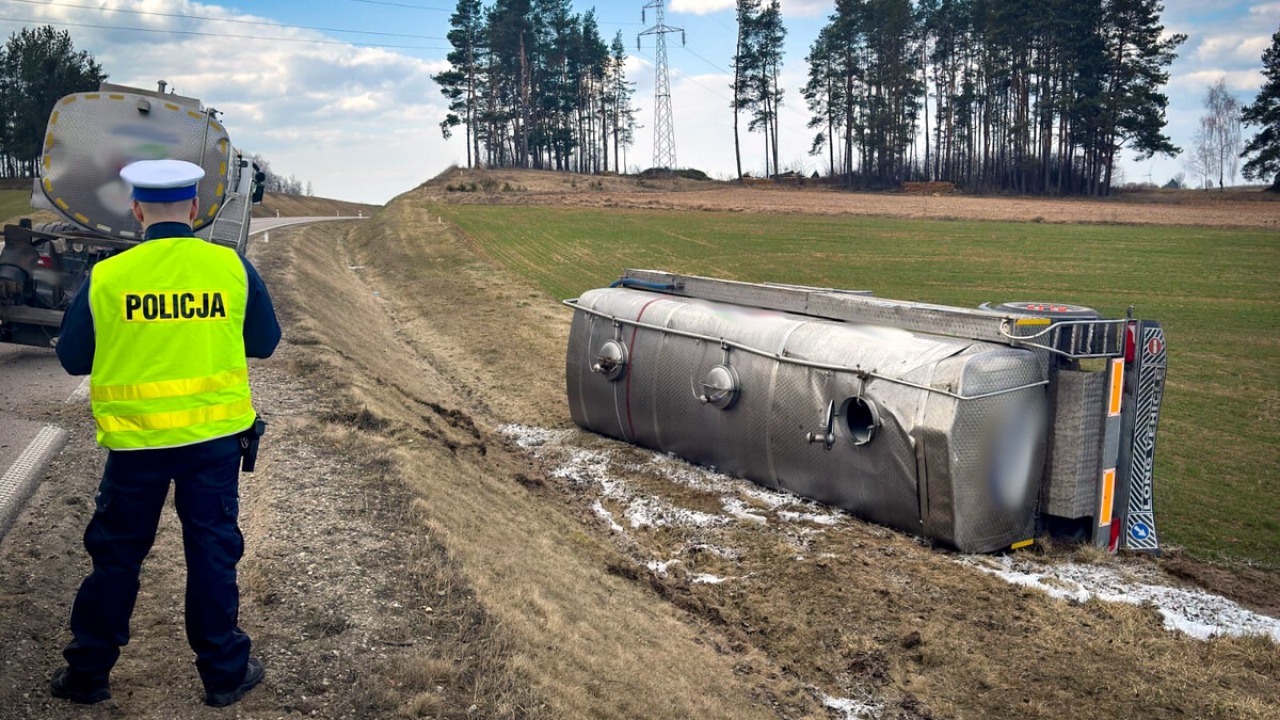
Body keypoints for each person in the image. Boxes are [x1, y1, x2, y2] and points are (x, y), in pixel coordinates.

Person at [50, 159, 281, 707]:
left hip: (136, 446)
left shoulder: (109, 275)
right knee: (212, 554)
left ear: (137, 211)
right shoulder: (229, 267)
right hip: (213, 442)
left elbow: (72, 359)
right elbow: (266, 342)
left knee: (116, 558)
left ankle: (87, 675)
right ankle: (225, 673)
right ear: (196, 210)